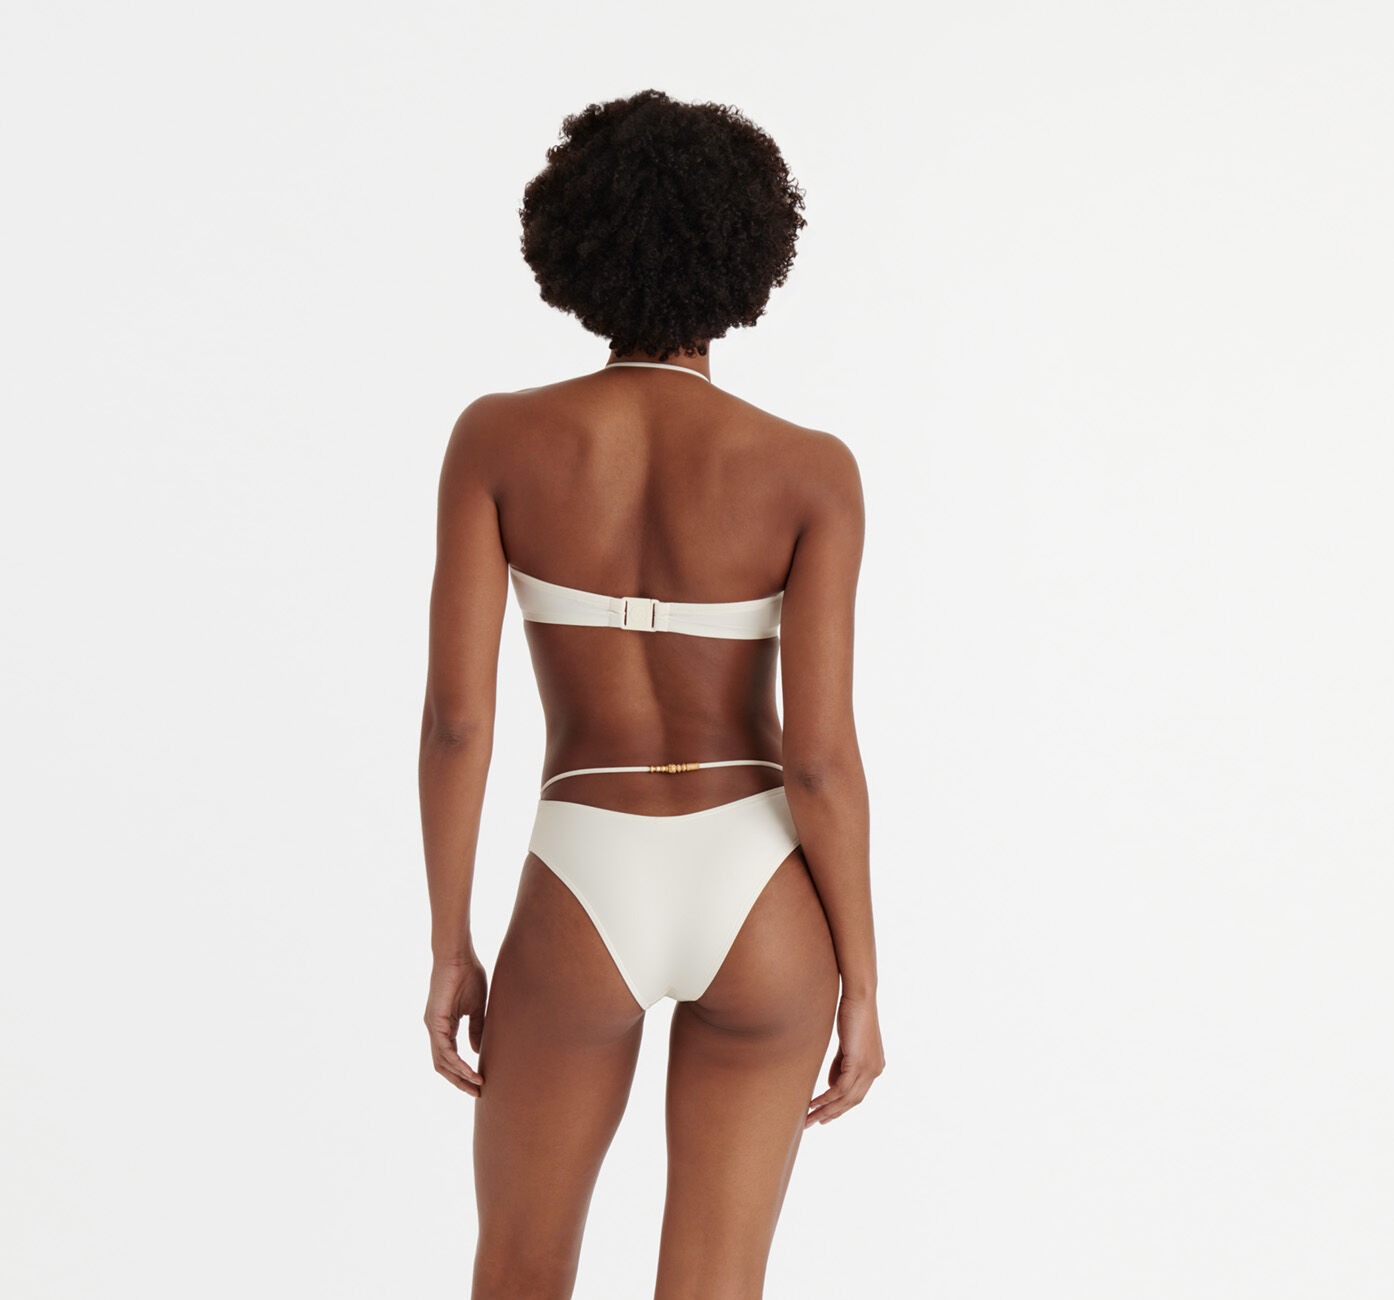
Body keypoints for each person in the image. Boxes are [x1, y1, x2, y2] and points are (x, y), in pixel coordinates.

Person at [418, 88, 883, 1299]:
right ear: (746, 253)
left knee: (518, 1271)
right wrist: (864, 981)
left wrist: (451, 943)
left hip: (584, 870)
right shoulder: (810, 470)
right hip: (762, 886)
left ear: (576, 246)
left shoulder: (497, 440)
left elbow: (459, 723)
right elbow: (821, 759)